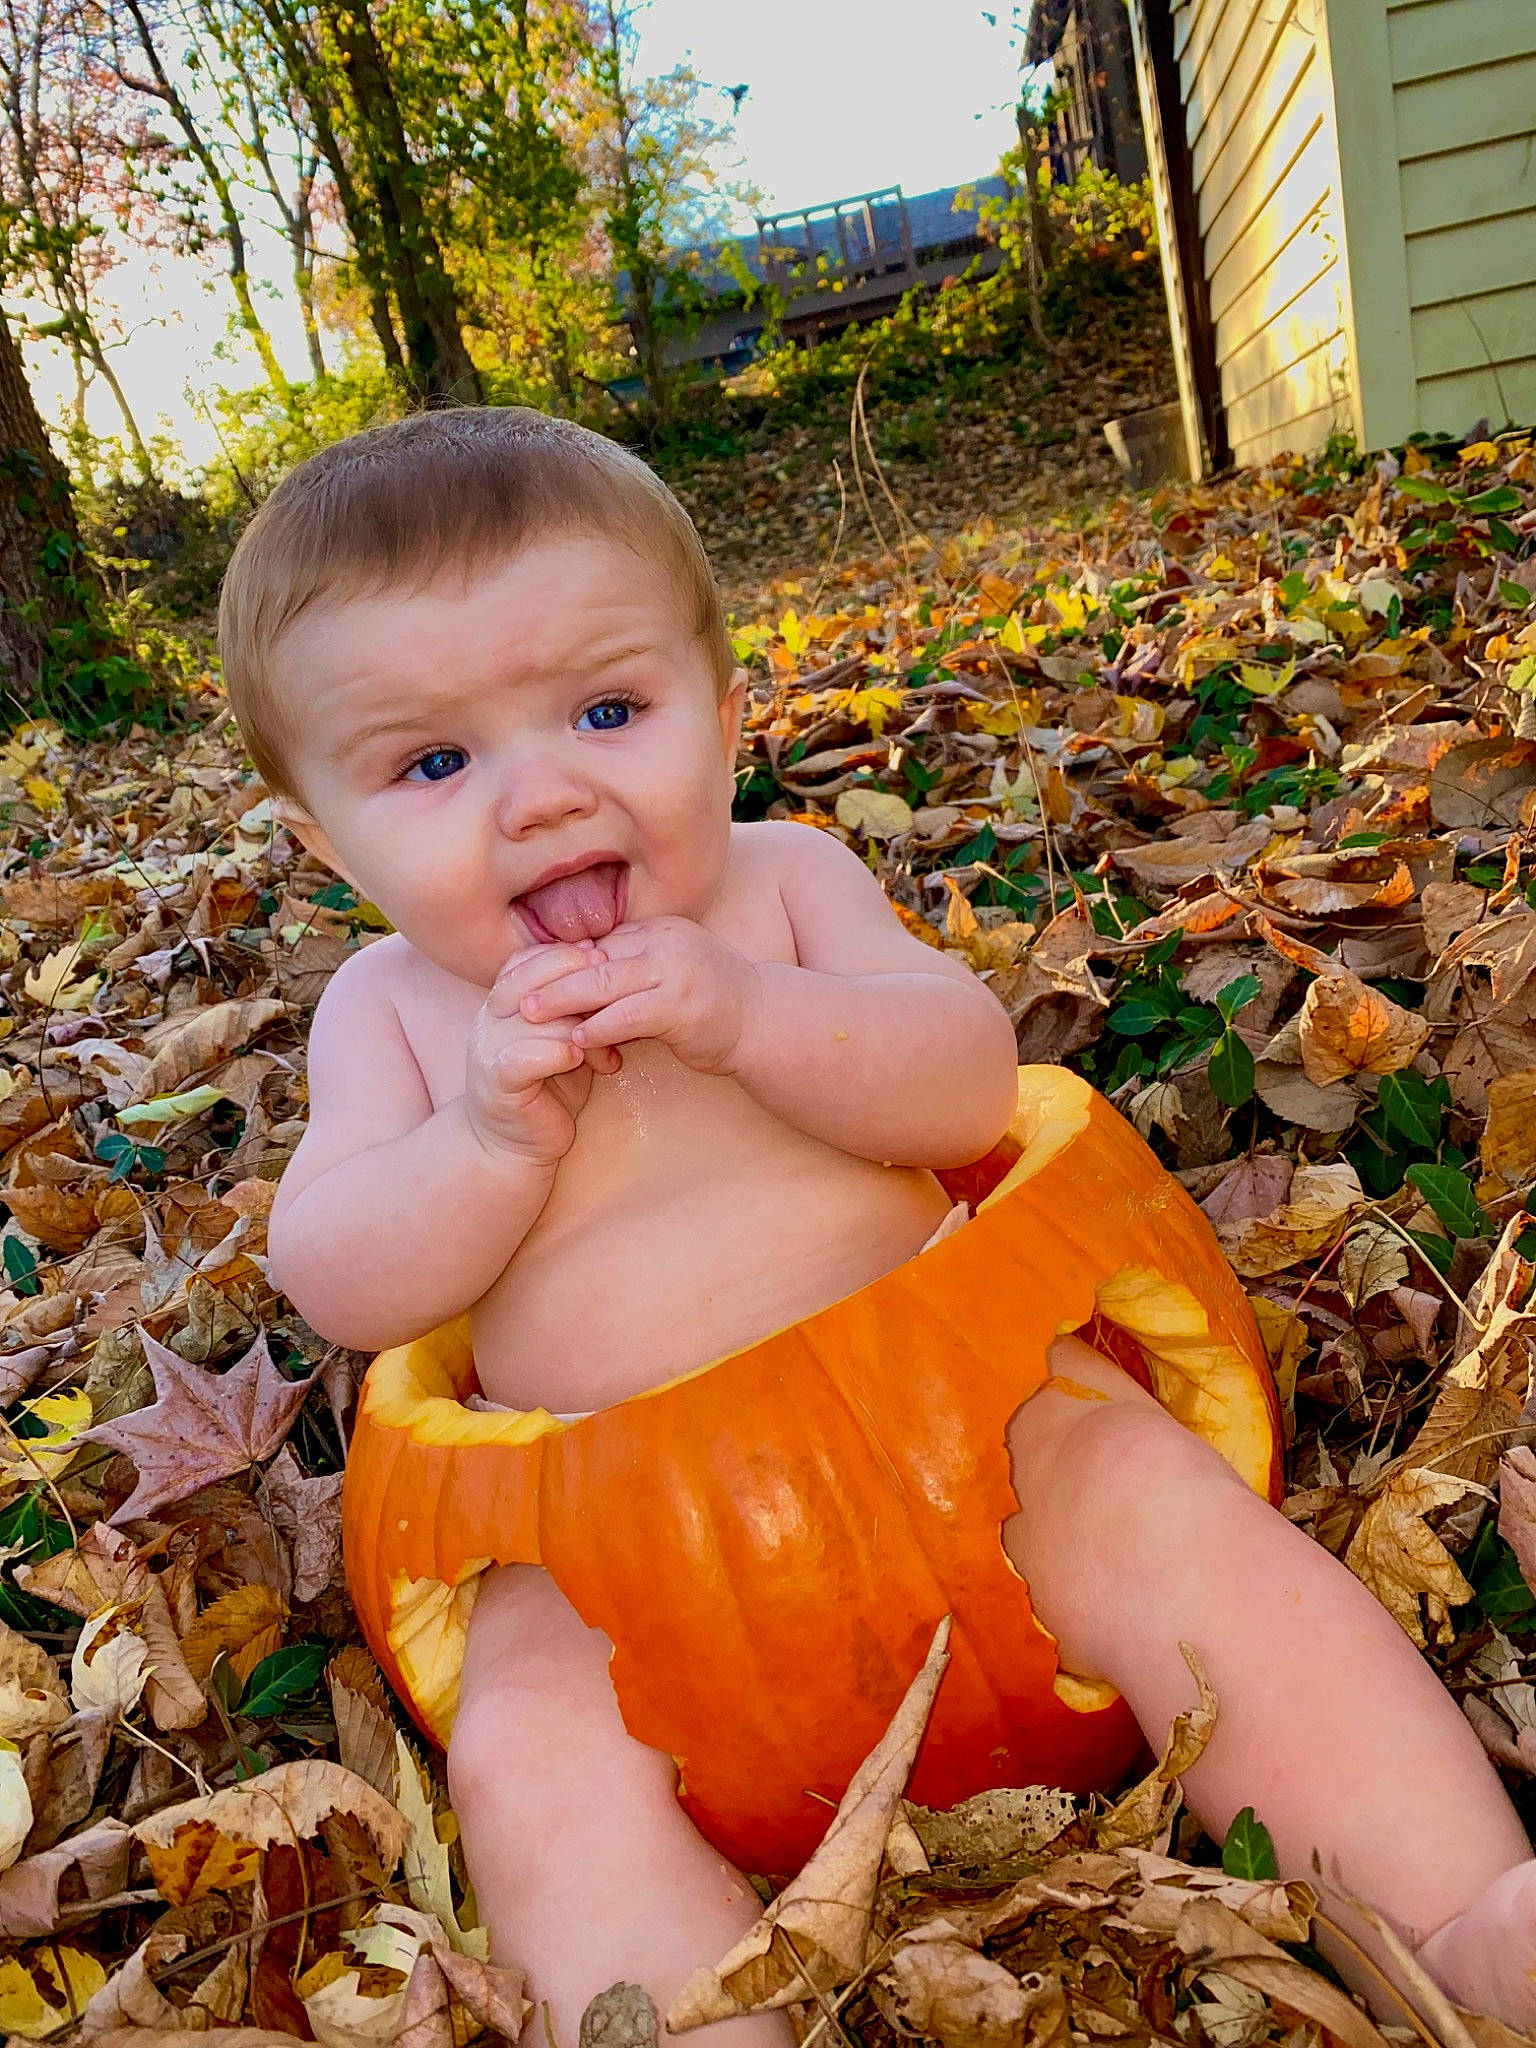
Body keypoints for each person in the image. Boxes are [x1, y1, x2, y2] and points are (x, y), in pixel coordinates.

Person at [219, 408, 1535, 2039]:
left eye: (608, 709)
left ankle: (1460, 1910)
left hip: (969, 1441)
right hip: (609, 1552)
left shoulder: (781, 887)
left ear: (724, 705)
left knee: (1171, 1518)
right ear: (322, 839)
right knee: (528, 1745)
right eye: (434, 763)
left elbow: (965, 1084)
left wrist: (755, 1016)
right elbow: (341, 1274)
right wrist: (488, 1140)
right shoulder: (395, 1020)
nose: (542, 798)